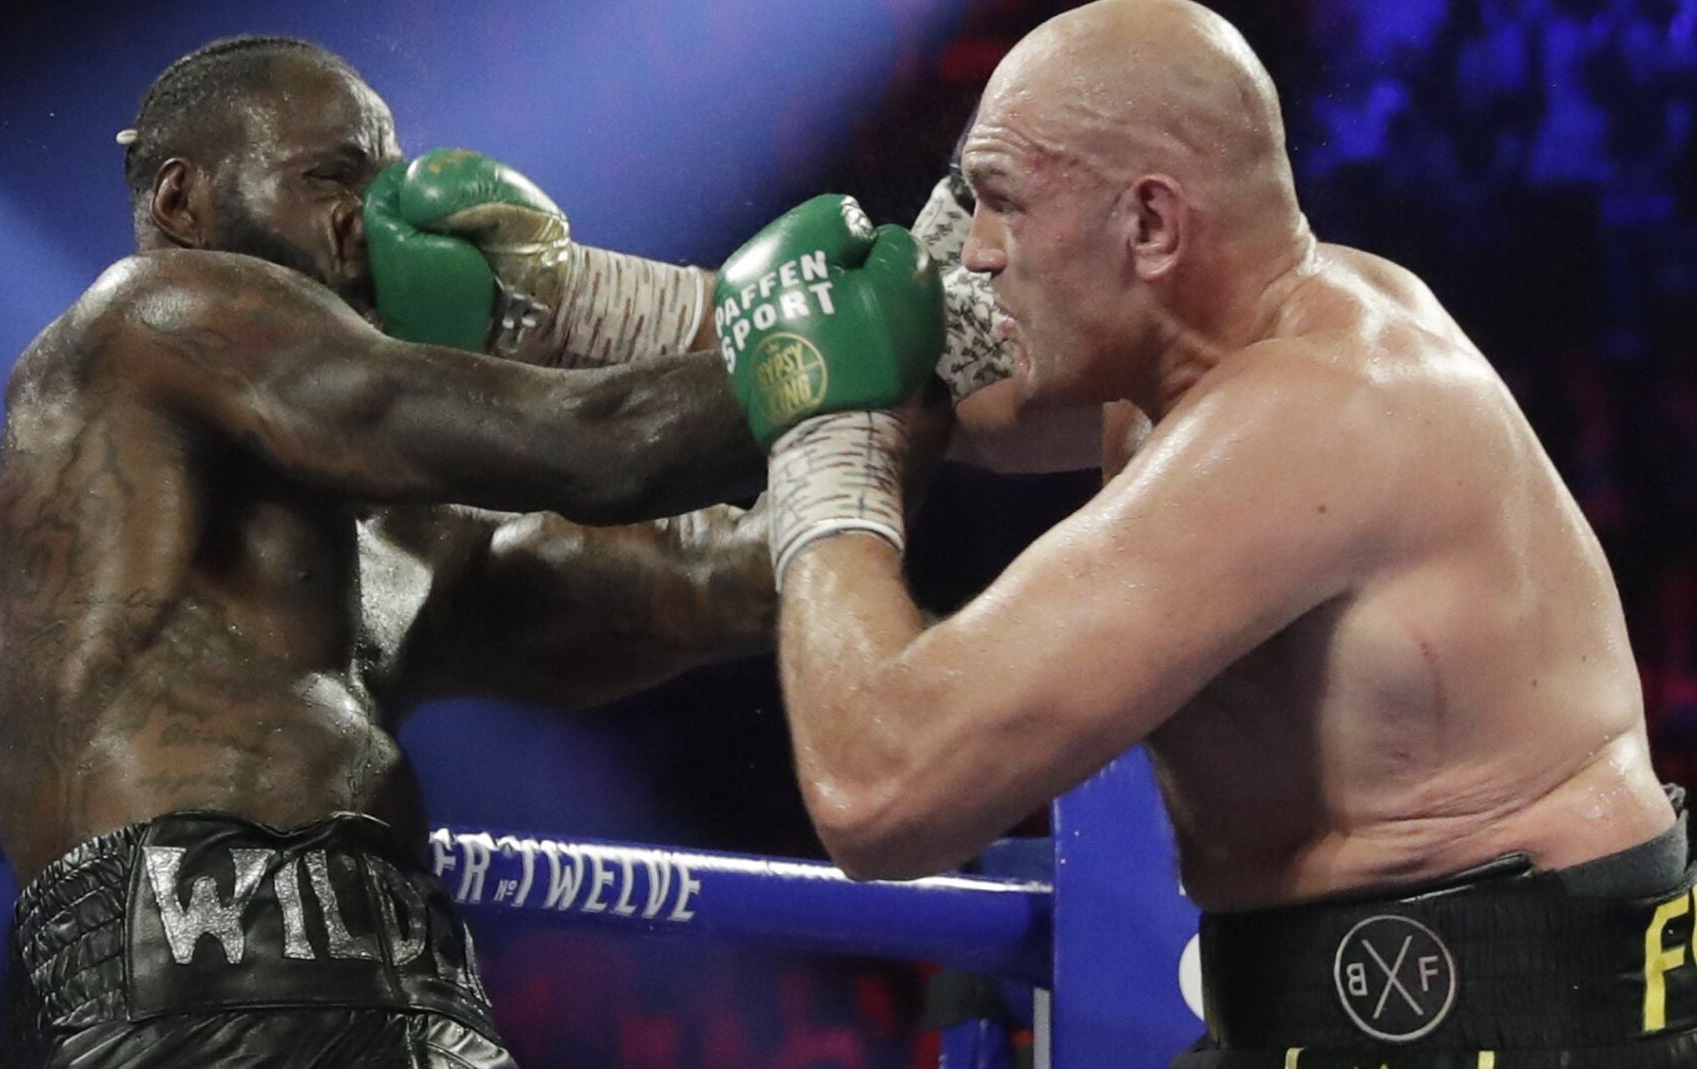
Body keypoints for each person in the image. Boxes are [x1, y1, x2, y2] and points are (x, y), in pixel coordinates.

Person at [718, 0, 1697, 1064]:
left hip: (1513, 1025)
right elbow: (927, 388)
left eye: (1002, 203)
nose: (977, 250)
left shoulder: (1316, 412)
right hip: (1347, 1014)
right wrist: (636, 309)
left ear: (1149, 225)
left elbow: (879, 789)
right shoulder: (1201, 350)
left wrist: (824, 446)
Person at [0, 34, 859, 1068]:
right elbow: (592, 444)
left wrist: (923, 377)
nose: (380, 222)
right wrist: (813, 333)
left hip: (410, 986)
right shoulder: (148, 315)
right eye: (332, 178)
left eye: (388, 186)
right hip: (181, 977)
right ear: (181, 203)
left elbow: (745, 575)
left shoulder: (403, 530)